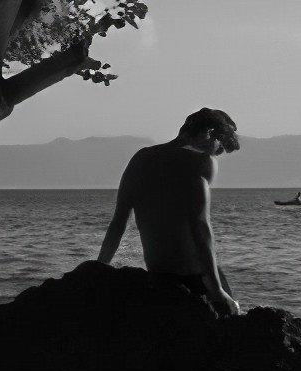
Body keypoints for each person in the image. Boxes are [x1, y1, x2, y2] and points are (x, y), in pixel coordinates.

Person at [97, 108, 244, 316]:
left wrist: (100, 267)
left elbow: (118, 223)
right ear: (209, 133)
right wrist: (217, 291)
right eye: (215, 149)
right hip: (196, 277)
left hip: (158, 275)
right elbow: (200, 228)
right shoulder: (201, 162)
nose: (213, 155)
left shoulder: (140, 158)